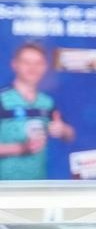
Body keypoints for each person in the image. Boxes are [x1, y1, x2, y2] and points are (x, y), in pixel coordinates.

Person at [0, 41, 74, 181]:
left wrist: (62, 130)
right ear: (14, 65)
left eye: (38, 63)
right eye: (26, 62)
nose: (32, 68)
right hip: (5, 187)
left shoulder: (47, 102)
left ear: (45, 67)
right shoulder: (2, 99)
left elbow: (70, 135)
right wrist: (21, 148)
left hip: (37, 186)